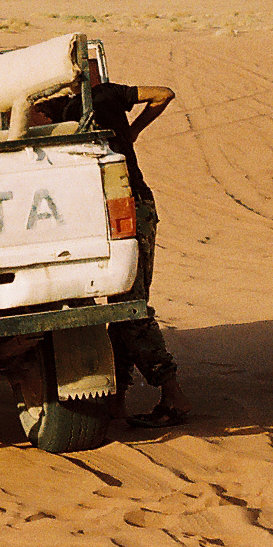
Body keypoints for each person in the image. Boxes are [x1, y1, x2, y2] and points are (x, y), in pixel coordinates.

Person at [83, 73, 192, 429]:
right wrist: (133, 129)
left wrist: (132, 131)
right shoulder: (108, 96)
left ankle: (171, 392)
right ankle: (118, 399)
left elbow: (166, 92)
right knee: (122, 304)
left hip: (125, 209)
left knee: (129, 305)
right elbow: (164, 93)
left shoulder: (68, 107)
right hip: (129, 207)